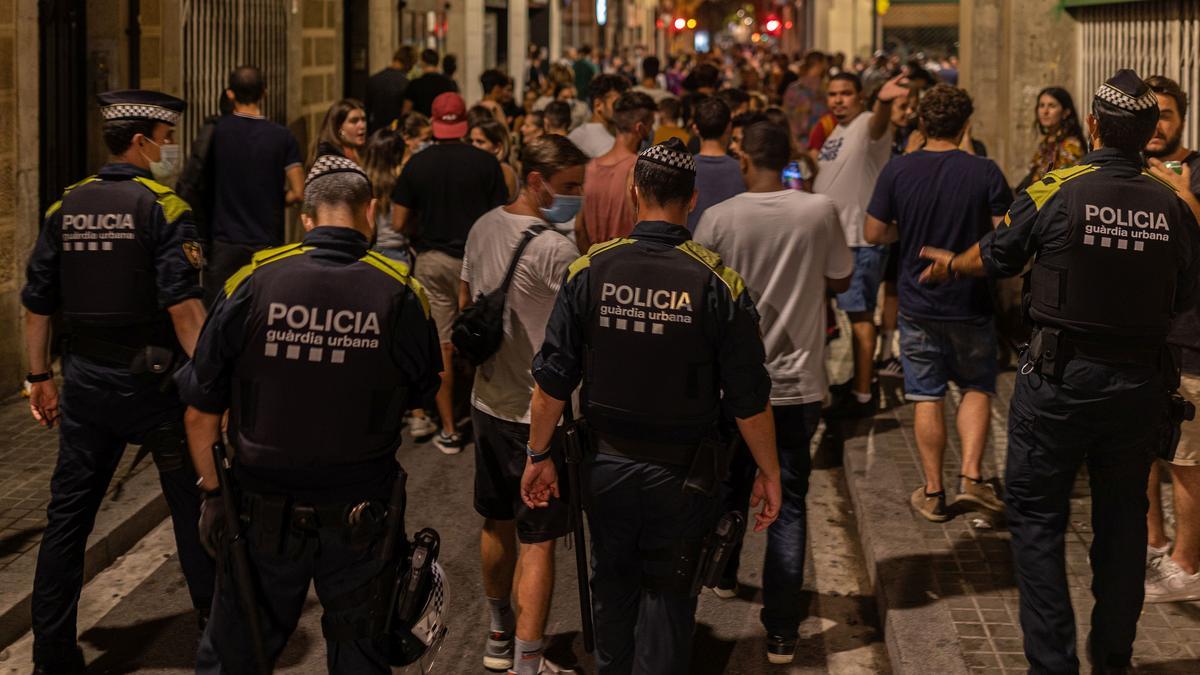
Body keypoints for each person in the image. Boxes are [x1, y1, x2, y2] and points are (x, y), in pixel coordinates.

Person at [919, 69, 1200, 673]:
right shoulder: (1173, 205)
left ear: (1094, 125)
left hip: (1058, 385)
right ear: (1149, 132)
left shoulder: (1056, 187)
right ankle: (1114, 660)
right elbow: (1184, 298)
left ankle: (1053, 664)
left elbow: (998, 255)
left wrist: (952, 265)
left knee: (1039, 522)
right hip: (1138, 391)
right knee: (1122, 528)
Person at [521, 138, 783, 675]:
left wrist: (537, 454)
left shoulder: (590, 270)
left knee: (611, 581)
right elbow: (749, 400)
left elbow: (551, 384)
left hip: (606, 467)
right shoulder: (718, 283)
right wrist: (769, 471)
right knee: (670, 590)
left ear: (635, 190)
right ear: (692, 200)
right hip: (683, 476)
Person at [178, 154, 441, 674]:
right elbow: (423, 391)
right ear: (371, 210)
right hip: (361, 515)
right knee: (361, 656)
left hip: (260, 511)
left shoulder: (251, 281)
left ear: (306, 219)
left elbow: (199, 411)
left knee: (237, 654)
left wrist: (212, 497)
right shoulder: (401, 291)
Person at [21, 90, 215, 673]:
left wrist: (38, 378)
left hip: (83, 383)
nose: (170, 146)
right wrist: (213, 386)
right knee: (194, 507)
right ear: (141, 140)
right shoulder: (165, 208)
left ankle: (52, 652)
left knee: (68, 518)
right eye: (166, 134)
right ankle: (217, 639)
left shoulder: (66, 209)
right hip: (154, 386)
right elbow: (183, 310)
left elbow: (37, 303)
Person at [694, 122, 852, 665]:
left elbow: (701, 294)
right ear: (789, 159)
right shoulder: (818, 210)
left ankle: (723, 573)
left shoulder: (718, 218)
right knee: (789, 499)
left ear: (743, 160)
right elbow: (841, 278)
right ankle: (782, 630)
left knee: (730, 483)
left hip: (733, 385)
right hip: (799, 382)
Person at [460, 135, 588, 675]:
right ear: (535, 181)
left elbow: (467, 305)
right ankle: (528, 664)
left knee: (495, 522)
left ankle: (497, 634)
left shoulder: (483, 225)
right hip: (538, 415)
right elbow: (580, 331)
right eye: (569, 188)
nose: (576, 197)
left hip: (487, 401)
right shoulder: (556, 250)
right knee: (539, 541)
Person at [862, 84, 1013, 521]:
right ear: (967, 124)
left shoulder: (898, 170)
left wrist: (905, 233)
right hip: (970, 302)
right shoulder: (985, 171)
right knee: (976, 387)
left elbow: (873, 233)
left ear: (922, 124)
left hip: (916, 302)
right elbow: (1004, 237)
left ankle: (932, 491)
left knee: (926, 395)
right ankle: (971, 479)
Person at [393, 92, 509, 454]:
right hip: (478, 260)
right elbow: (501, 217)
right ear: (464, 123)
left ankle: (448, 428)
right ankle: (488, 420)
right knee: (485, 338)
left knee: (442, 344)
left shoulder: (417, 165)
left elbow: (398, 221)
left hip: (434, 260)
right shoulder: (485, 163)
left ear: (432, 121)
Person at [815, 72, 908, 418]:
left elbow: (880, 125)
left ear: (860, 97)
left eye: (846, 94)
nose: (838, 100)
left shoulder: (870, 123)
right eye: (833, 94)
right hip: (836, 240)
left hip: (857, 240)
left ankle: (862, 396)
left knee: (860, 317)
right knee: (851, 317)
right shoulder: (835, 132)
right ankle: (858, 381)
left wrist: (883, 102)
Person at [1143, 74, 1200, 603]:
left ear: (1181, 117)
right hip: (1140, 336)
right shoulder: (1125, 173)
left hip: (1189, 336)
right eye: (1149, 113)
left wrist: (1179, 191)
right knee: (1142, 448)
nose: (1157, 124)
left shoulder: (1196, 171)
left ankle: (1187, 564)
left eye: (1166, 113)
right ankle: (1154, 543)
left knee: (1185, 456)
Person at [203, 66, 305, 305]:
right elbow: (299, 191)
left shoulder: (217, 132)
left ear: (230, 94)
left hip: (224, 242)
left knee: (220, 313)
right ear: (264, 93)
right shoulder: (282, 137)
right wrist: (278, 199)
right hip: (266, 242)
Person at [577, 91, 657, 251]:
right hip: (627, 263)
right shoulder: (638, 169)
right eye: (650, 125)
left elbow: (579, 228)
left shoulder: (590, 168)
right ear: (640, 128)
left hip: (595, 262)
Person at [687, 96, 745, 231]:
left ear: (695, 128)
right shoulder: (744, 171)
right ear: (729, 127)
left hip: (690, 249)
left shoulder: (682, 169)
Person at [1020, 86, 1086, 190]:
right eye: (1041, 105)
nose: (1045, 111)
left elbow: (1066, 187)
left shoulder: (1070, 145)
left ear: (1065, 112)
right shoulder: (1046, 143)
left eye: (1052, 106)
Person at [568, 74, 630, 158]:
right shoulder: (608, 146)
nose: (624, 108)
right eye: (617, 103)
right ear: (598, 105)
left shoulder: (575, 134)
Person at [782, 51, 828, 147]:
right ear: (820, 64)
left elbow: (787, 115)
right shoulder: (824, 88)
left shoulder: (793, 88)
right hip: (820, 141)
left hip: (800, 142)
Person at [470, 117, 520, 201]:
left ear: (497, 147)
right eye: (471, 141)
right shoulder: (490, 168)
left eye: (480, 142)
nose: (473, 146)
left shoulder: (502, 170)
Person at [365, 47, 413, 133]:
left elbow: (366, 110)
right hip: (395, 131)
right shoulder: (406, 83)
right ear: (409, 63)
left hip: (376, 130)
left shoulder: (373, 79)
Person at [311, 98, 367, 165]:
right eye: (354, 121)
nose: (362, 126)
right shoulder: (331, 157)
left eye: (363, 119)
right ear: (339, 127)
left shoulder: (360, 151)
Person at [404, 49, 458, 117]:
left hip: (421, 126)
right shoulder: (448, 83)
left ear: (422, 62)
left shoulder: (414, 84)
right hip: (442, 125)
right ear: (437, 63)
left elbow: (406, 112)